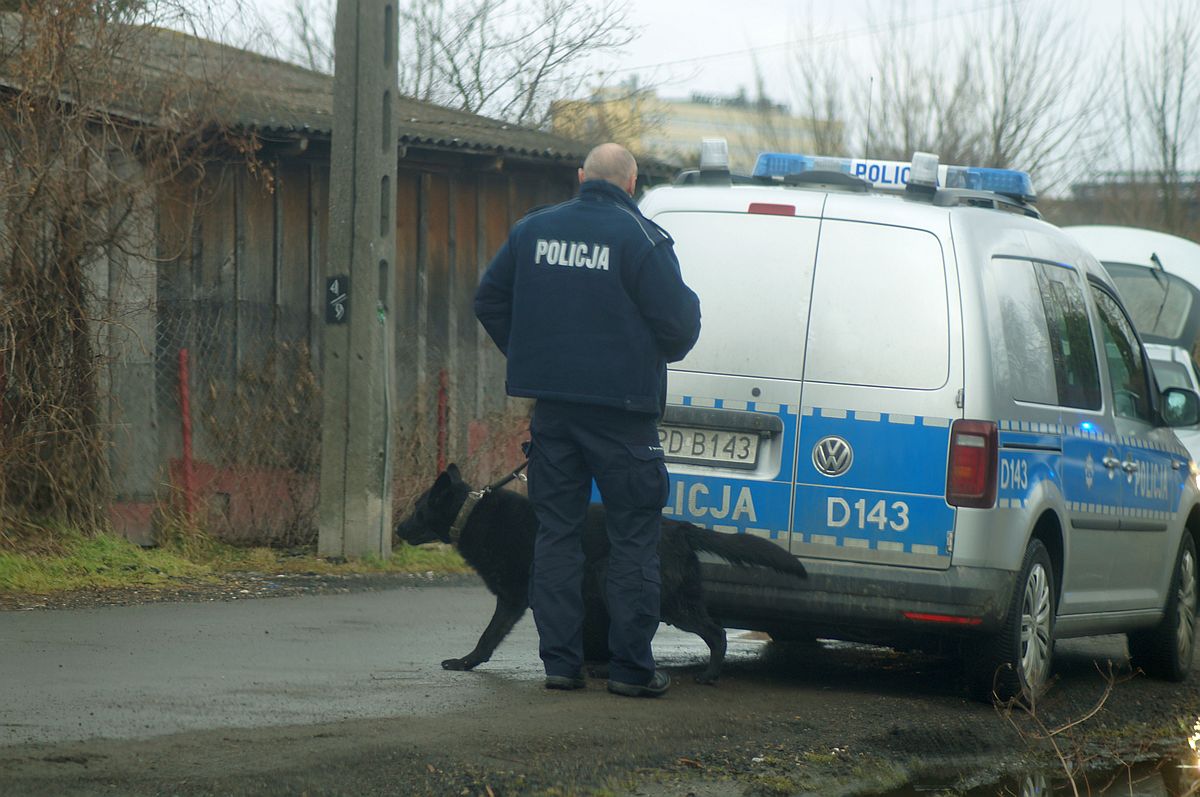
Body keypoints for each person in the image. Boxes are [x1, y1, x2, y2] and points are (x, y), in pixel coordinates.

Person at [474, 143, 701, 698]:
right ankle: (629, 670)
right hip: (623, 418)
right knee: (632, 539)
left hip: (554, 414)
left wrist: (532, 357)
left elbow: (488, 299)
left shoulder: (533, 232)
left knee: (556, 535)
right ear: (631, 183)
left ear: (581, 178)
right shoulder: (642, 240)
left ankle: (560, 665)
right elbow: (680, 328)